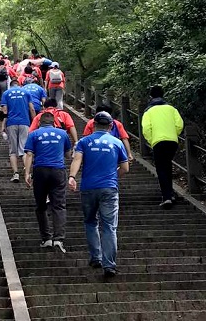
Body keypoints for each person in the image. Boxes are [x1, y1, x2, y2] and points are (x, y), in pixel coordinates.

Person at [69, 110, 129, 277]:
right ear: (111, 126)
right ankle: (109, 265)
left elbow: (77, 159)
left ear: (93, 125)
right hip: (109, 188)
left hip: (88, 187)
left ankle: (96, 257)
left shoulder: (84, 142)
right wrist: (113, 176)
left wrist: (72, 177)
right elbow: (125, 168)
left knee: (90, 222)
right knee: (109, 226)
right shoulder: (117, 142)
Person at [24, 111, 72, 253]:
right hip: (58, 170)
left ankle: (46, 238)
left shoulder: (34, 134)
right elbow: (68, 154)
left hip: (40, 170)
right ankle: (59, 239)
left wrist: (27, 173)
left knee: (41, 206)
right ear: (54, 123)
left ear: (39, 123)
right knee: (59, 205)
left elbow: (29, 154)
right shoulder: (63, 134)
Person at [141, 85, 184, 208]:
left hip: (158, 141)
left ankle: (167, 197)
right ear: (163, 95)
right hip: (172, 141)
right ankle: (171, 194)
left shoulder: (148, 111)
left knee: (161, 169)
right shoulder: (172, 109)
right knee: (167, 165)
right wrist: (174, 134)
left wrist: (151, 140)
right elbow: (179, 125)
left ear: (150, 96)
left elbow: (146, 129)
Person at [1, 78, 35, 182]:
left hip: (11, 123)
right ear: (19, 84)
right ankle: (27, 173)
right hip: (25, 122)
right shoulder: (26, 92)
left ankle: (15, 174)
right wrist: (34, 122)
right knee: (24, 148)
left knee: (13, 150)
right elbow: (32, 108)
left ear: (10, 85)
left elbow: (4, 111)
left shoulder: (6, 93)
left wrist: (3, 125)